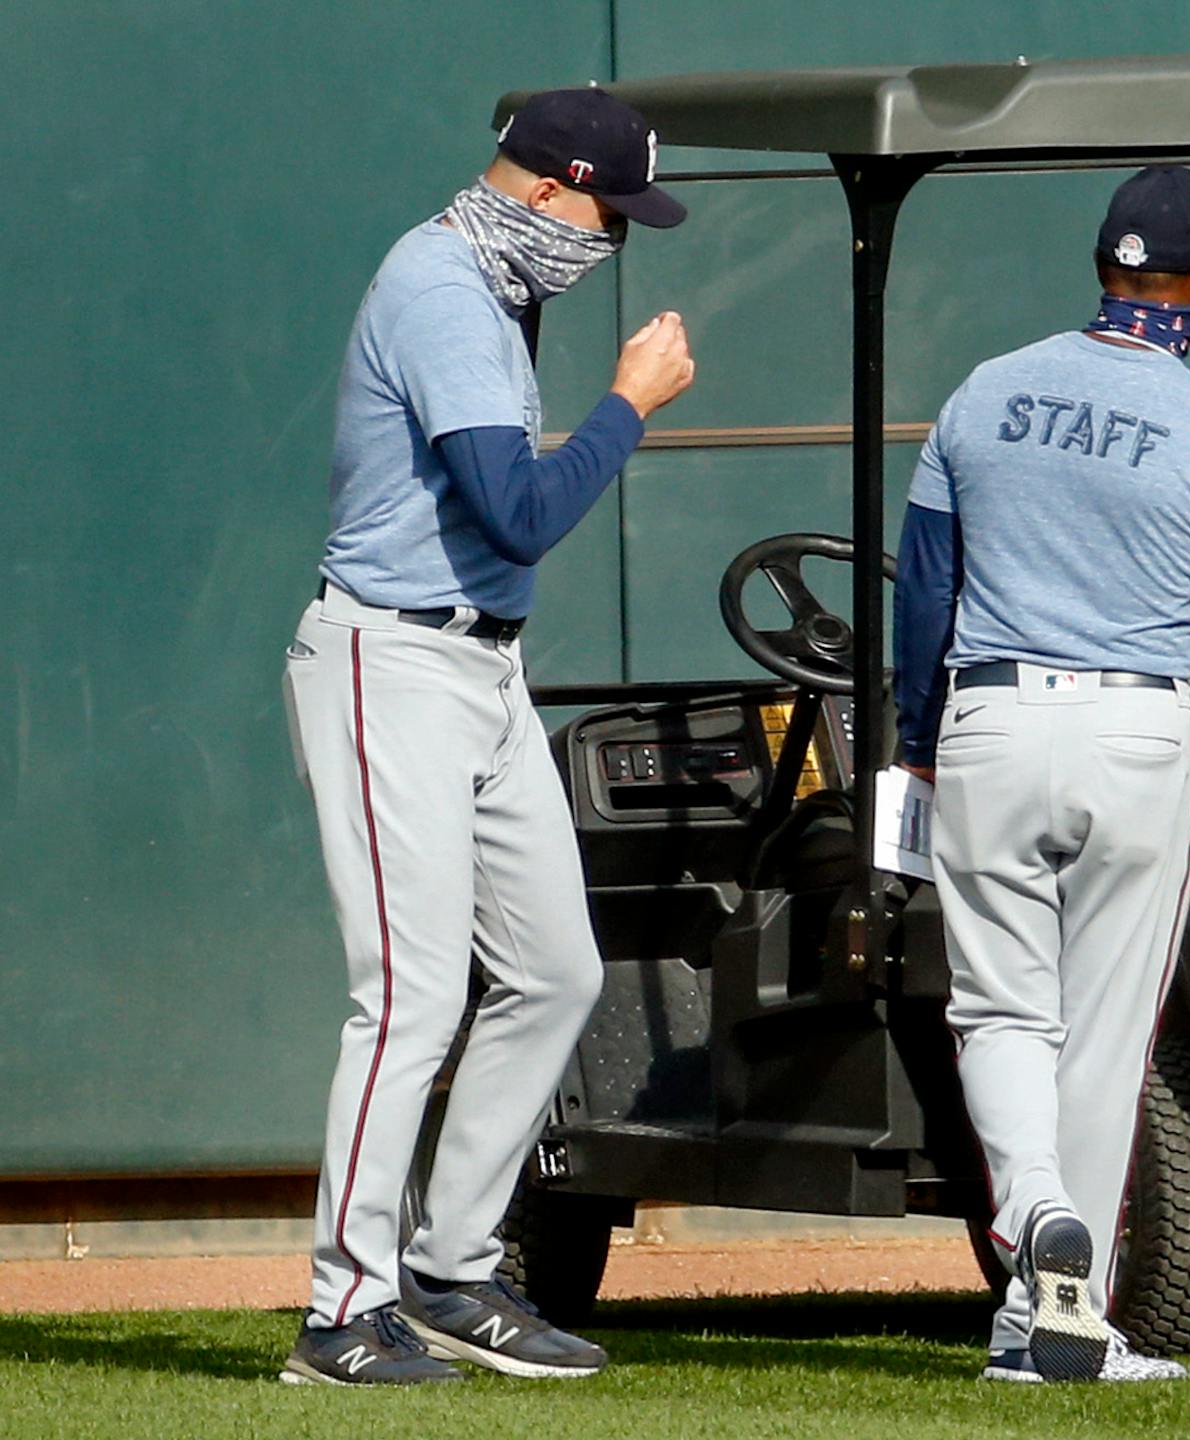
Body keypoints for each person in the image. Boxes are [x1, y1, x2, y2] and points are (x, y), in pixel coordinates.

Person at [279, 87, 695, 1385]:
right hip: (388, 656)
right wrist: (630, 406)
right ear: (550, 192)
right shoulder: (444, 288)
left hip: (480, 668)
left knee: (558, 971)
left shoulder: (496, 285)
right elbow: (512, 513)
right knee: (404, 998)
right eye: (609, 213)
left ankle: (453, 1272)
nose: (614, 239)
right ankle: (341, 1311)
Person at [892, 165, 1190, 1383]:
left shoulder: (984, 391)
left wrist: (916, 741)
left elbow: (923, 588)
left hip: (991, 719)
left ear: (1104, 266)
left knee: (1000, 1013)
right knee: (1106, 1044)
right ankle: (1069, 1309)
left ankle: (1032, 1235)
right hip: (1136, 735)